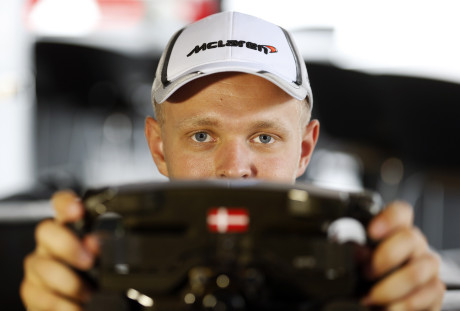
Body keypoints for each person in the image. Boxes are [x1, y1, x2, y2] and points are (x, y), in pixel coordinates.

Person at [21, 11, 445, 311]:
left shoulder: (356, 274)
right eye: (202, 136)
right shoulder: (101, 269)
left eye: (264, 137)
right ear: (159, 147)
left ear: (303, 149)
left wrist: (406, 292)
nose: (235, 167)